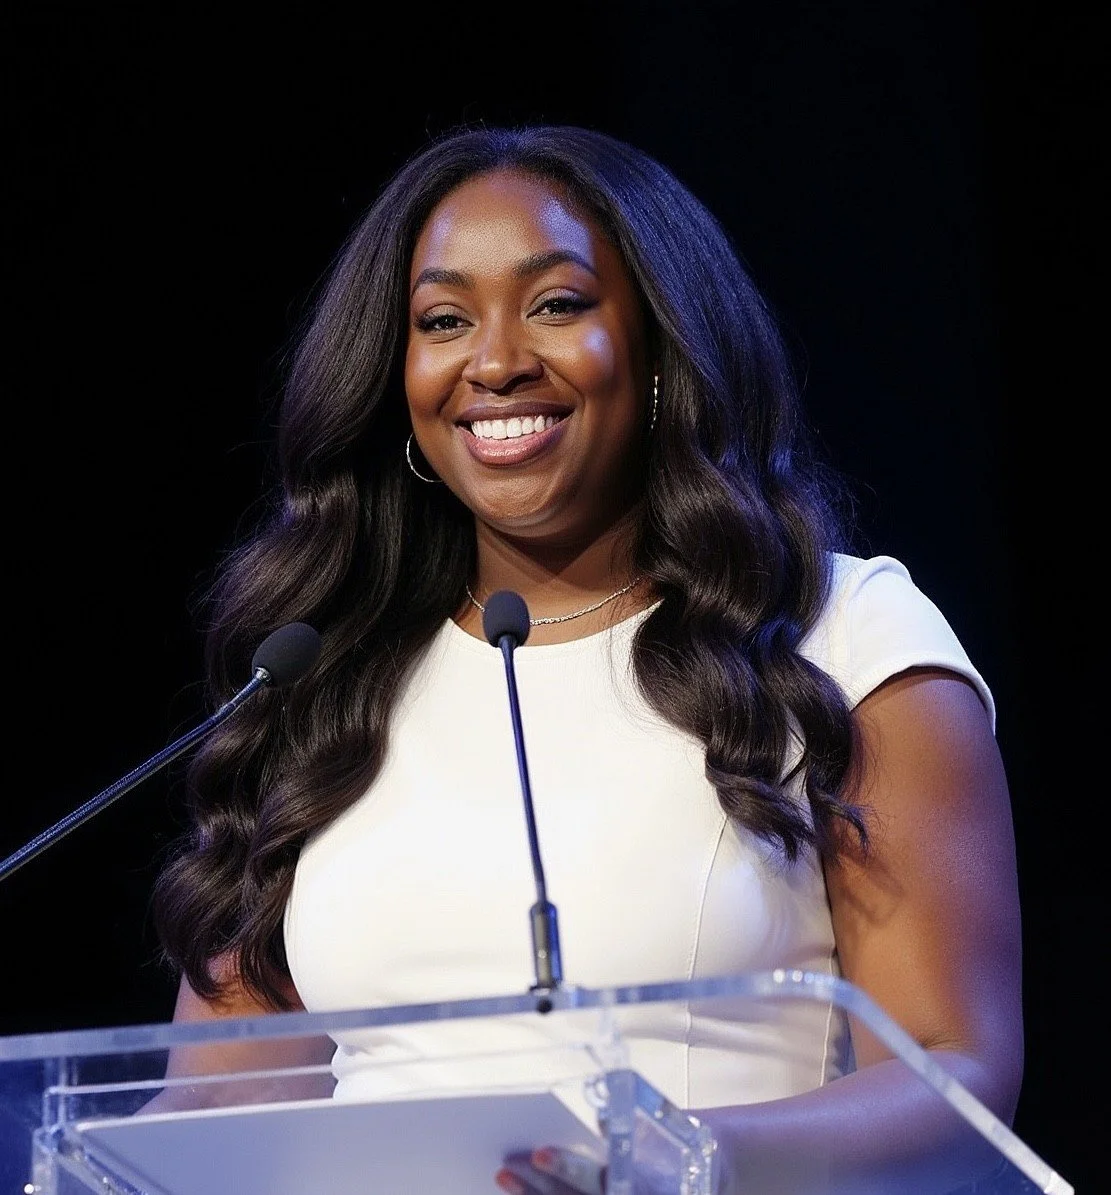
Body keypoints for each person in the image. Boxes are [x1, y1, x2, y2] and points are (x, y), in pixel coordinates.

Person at [150, 124, 1023, 1193]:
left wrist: (686, 1157)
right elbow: (222, 1099)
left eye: (556, 304)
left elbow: (952, 1069)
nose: (496, 359)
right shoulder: (325, 684)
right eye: (442, 320)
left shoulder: (840, 634)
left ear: (661, 347)